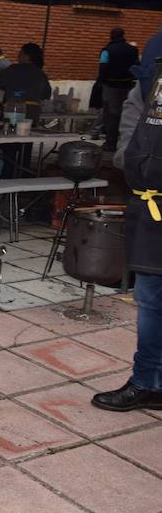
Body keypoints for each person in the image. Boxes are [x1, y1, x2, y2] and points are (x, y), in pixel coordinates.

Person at [92, 29, 162, 413]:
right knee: (151, 299)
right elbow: (129, 134)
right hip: (153, 207)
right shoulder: (150, 71)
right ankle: (148, 381)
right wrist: (134, 159)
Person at [0, 42, 52, 178]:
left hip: (12, 113)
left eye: (21, 53)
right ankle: (24, 173)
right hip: (32, 115)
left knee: (10, 146)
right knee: (25, 146)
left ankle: (7, 175)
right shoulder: (41, 74)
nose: (18, 55)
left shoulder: (14, 69)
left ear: (27, 56)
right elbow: (46, 94)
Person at [97, 27, 139, 151]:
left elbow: (103, 67)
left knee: (111, 114)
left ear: (111, 36)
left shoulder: (107, 50)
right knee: (127, 113)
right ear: (123, 35)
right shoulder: (133, 50)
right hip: (128, 85)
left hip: (111, 86)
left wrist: (102, 81)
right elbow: (137, 66)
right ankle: (124, 141)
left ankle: (111, 143)